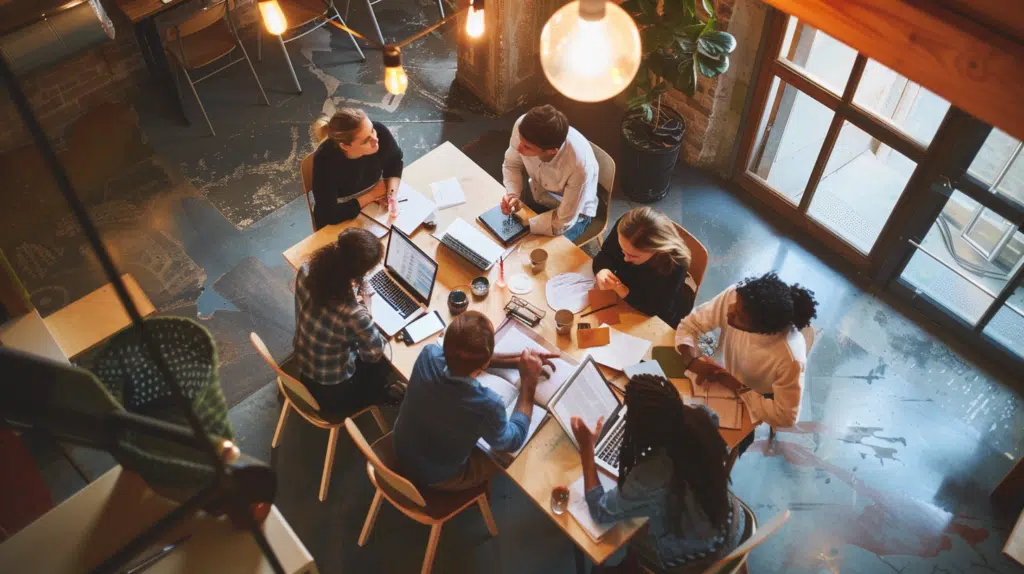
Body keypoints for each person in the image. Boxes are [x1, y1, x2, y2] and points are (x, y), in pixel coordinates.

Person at [571, 375, 745, 573]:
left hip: (696, 560)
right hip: (731, 521)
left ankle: (634, 566)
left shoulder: (649, 476)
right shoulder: (701, 417)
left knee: (625, 533)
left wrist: (587, 448)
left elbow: (600, 511)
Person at [393, 311, 558, 491]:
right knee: (504, 462)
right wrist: (529, 382)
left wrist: (517, 361)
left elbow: (459, 356)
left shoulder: (428, 354)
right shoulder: (487, 404)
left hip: (401, 448)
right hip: (436, 477)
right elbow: (512, 440)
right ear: (485, 362)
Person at [675, 272, 817, 453]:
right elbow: (690, 325)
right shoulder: (738, 296)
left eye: (739, 317)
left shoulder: (790, 359)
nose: (730, 310)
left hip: (757, 395)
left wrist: (739, 388)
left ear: (760, 330)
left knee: (714, 446)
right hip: (723, 375)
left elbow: (786, 416)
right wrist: (691, 359)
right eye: (735, 304)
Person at [293, 228, 404, 416]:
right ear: (358, 275)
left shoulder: (307, 270)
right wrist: (367, 307)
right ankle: (376, 396)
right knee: (384, 361)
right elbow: (374, 353)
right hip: (334, 394)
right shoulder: (354, 314)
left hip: (304, 366)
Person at [500, 104, 599, 242]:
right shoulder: (522, 126)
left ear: (551, 151)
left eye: (527, 147)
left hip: (573, 214)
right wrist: (512, 194)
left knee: (534, 254)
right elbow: (511, 164)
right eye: (520, 140)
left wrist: (527, 224)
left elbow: (564, 220)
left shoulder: (580, 167)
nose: (519, 148)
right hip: (539, 193)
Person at [593, 207, 695, 328]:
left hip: (656, 309)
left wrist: (622, 290)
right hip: (626, 293)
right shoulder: (627, 229)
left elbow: (654, 308)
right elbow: (606, 254)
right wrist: (603, 269)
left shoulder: (675, 263)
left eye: (633, 256)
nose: (625, 259)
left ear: (657, 251)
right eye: (622, 250)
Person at [310, 108, 404, 229]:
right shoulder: (325, 160)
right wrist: (372, 195)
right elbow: (328, 214)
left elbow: (394, 162)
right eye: (366, 140)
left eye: (372, 130)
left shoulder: (379, 130)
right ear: (345, 146)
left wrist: (391, 195)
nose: (376, 139)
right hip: (344, 210)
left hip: (374, 202)